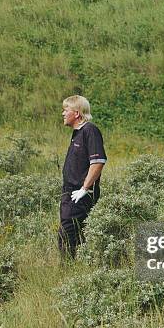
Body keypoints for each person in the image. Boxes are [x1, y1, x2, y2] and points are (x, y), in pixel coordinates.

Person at [58, 95, 107, 261]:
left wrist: (84, 189)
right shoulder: (77, 133)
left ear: (77, 113)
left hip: (79, 194)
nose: (63, 113)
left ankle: (66, 271)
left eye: (66, 110)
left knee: (68, 234)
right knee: (74, 235)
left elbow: (98, 162)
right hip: (70, 193)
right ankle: (76, 268)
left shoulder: (90, 130)